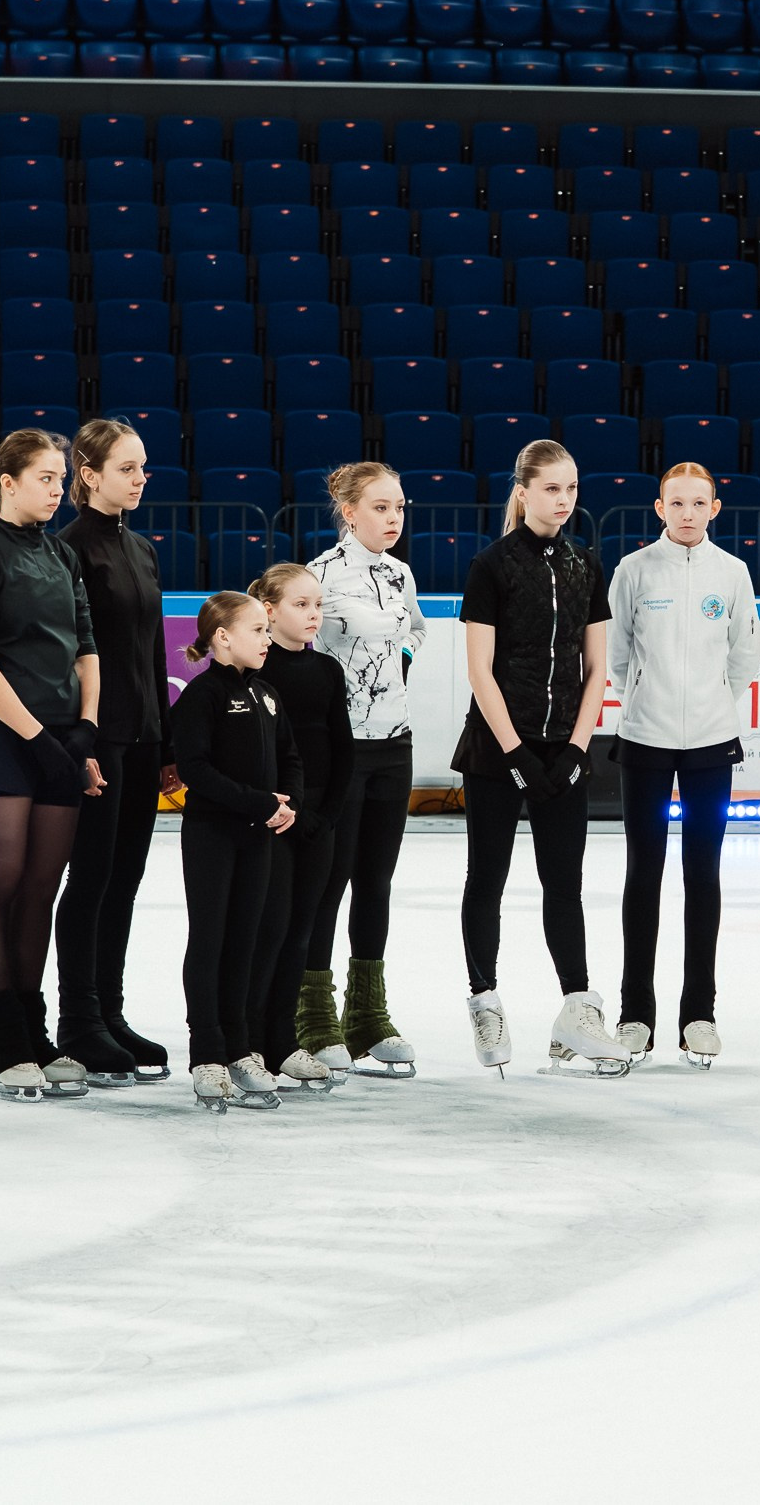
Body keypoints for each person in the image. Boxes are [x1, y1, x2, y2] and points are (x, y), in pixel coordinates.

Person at [456, 439, 622, 1078]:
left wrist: (579, 747)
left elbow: (597, 665)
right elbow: (479, 670)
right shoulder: (490, 566)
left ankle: (577, 1008)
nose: (564, 499)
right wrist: (515, 752)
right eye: (552, 488)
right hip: (498, 749)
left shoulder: (586, 565)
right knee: (487, 880)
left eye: (572, 488)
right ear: (523, 491)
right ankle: (485, 999)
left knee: (566, 884)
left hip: (563, 752)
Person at [0, 431, 102, 1102]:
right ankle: (2, 1032)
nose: (56, 488)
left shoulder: (63, 552)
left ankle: (34, 1029)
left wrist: (85, 730)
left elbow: (86, 646)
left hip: (63, 740)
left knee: (42, 886)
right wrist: (38, 736)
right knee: (1, 881)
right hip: (4, 740)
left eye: (59, 478)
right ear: (6, 482)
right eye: (43, 477)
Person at [608, 462, 758, 1069]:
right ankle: (634, 1013)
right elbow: (618, 653)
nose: (688, 512)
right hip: (644, 739)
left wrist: (714, 706)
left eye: (699, 502)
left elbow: (744, 655)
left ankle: (699, 1013)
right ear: (659, 507)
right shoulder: (634, 570)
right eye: (678, 502)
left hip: (710, 746)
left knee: (705, 874)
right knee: (643, 874)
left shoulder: (734, 572)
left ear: (715, 508)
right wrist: (643, 694)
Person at [52, 419, 174, 1084]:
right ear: (89, 472)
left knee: (123, 882)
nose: (140, 478)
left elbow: (152, 649)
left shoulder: (143, 549)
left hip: (144, 735)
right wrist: (84, 740)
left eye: (144, 467)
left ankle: (110, 1012)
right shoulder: (70, 550)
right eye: (128, 468)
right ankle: (79, 1022)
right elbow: (71, 655)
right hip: (100, 739)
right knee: (92, 879)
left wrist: (168, 739)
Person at [302, 462, 428, 1079]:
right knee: (331, 881)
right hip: (340, 750)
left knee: (375, 882)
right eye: (381, 508)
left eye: (399, 508)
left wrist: (393, 675)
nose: (394, 519)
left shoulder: (400, 574)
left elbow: (416, 635)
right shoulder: (321, 575)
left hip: (393, 747)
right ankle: (314, 1016)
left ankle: (368, 1016)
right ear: (349, 512)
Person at [171, 590, 303, 1112]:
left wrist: (286, 803)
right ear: (222, 637)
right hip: (213, 834)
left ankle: (239, 1045)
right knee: (211, 938)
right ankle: (206, 1049)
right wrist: (258, 801)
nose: (267, 640)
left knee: (247, 939)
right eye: (257, 630)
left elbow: (290, 757)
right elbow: (196, 770)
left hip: (259, 835)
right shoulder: (200, 696)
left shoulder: (268, 693)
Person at [242, 564, 352, 1092]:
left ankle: (283, 1041)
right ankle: (252, 1041)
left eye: (318, 606)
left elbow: (343, 750)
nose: (314, 615)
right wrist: (281, 810)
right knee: (270, 931)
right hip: (274, 822)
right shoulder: (257, 676)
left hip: (317, 824)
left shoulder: (328, 671)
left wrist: (325, 816)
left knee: (301, 935)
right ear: (269, 610)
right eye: (301, 605)